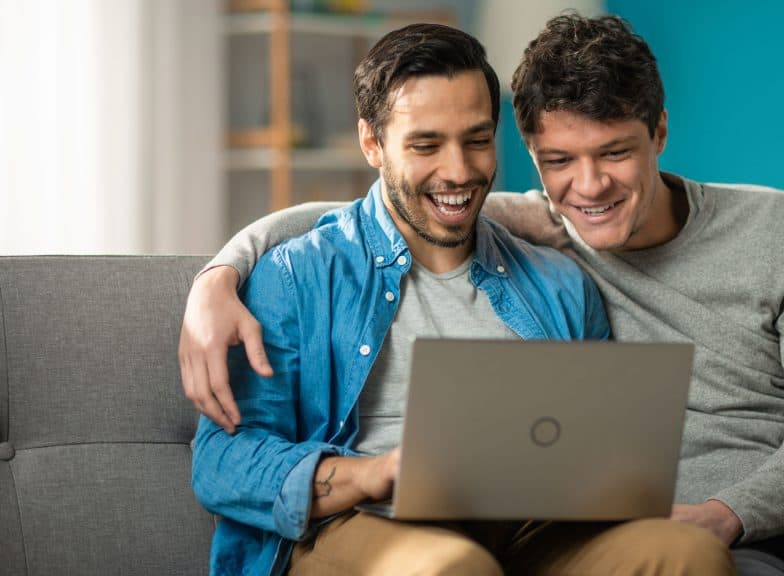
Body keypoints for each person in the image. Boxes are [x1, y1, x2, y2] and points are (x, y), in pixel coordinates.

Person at [183, 14, 784, 576]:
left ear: (659, 132)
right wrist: (218, 273)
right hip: (385, 522)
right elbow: (359, 225)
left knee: (699, 555)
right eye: (560, 160)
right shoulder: (315, 269)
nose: (589, 187)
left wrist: (708, 513)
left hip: (761, 516)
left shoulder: (557, 264)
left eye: (615, 153)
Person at [189, 22, 731, 576]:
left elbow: (600, 454)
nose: (460, 171)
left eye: (476, 140)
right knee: (455, 568)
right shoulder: (297, 275)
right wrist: (373, 473)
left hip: (530, 528)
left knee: (690, 555)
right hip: (363, 522)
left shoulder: (560, 283)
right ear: (372, 144)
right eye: (426, 145)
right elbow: (219, 461)